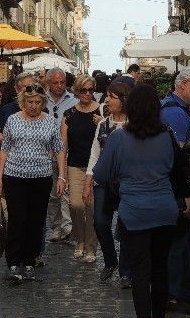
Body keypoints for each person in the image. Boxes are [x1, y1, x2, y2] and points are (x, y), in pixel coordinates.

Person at [93, 83, 190, 318]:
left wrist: (120, 176)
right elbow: (178, 172)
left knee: (140, 274)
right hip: (164, 211)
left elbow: (101, 174)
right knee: (160, 267)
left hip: (134, 212)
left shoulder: (118, 138)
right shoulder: (167, 137)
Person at [0, 82, 65, 284]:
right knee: (17, 219)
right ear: (23, 102)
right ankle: (14, 262)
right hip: (15, 176)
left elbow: (59, 148)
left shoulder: (50, 122)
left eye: (37, 102)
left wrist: (61, 175)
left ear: (42, 102)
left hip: (41, 177)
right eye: (29, 102)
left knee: (36, 221)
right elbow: (5, 149)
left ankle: (29, 260)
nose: (33, 106)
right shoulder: (12, 120)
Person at [161, 64, 190, 313]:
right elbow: (180, 159)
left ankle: (179, 290)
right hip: (176, 191)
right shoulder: (176, 114)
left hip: (170, 189)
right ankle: (178, 293)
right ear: (183, 85)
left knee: (179, 241)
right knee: (182, 241)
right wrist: (187, 193)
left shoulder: (174, 108)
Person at [83, 79, 132, 284]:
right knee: (100, 222)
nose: (107, 100)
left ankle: (126, 270)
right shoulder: (103, 124)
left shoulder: (133, 125)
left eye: (111, 97)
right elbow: (95, 154)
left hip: (127, 182)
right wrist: (88, 182)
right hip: (103, 181)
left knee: (127, 225)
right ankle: (110, 260)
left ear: (123, 100)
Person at [62, 74, 101, 264]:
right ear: (76, 91)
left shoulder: (101, 112)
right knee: (76, 205)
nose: (87, 94)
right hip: (75, 165)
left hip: (95, 168)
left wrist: (102, 123)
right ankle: (80, 240)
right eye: (83, 90)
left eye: (91, 90)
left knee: (92, 207)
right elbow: (63, 146)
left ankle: (91, 246)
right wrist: (62, 174)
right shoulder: (69, 114)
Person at [45, 68, 77, 243]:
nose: (59, 85)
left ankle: (67, 227)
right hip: (45, 154)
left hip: (67, 152)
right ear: (49, 83)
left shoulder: (73, 101)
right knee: (52, 194)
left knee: (66, 190)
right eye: (55, 82)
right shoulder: (41, 101)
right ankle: (56, 226)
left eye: (62, 82)